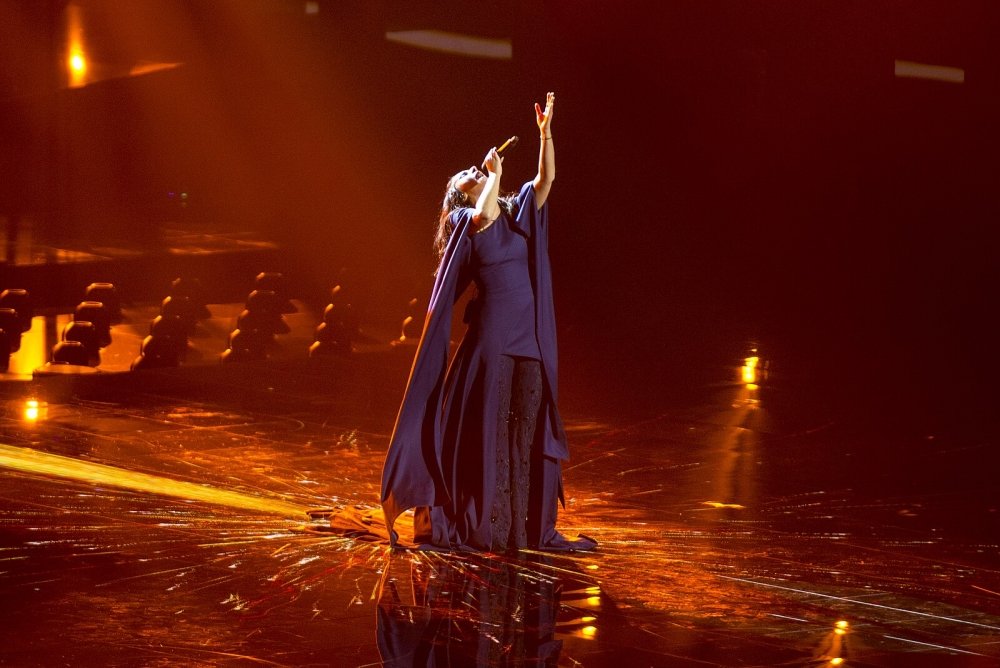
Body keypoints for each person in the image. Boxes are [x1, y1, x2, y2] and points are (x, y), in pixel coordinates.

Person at [379, 92, 596, 553]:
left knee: (524, 436)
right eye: (465, 175)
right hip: (495, 336)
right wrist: (491, 178)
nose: (471, 171)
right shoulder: (466, 218)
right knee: (497, 436)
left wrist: (545, 134)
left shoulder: (516, 210)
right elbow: (483, 213)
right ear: (459, 192)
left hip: (530, 337)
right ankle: (493, 530)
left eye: (473, 170)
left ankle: (522, 530)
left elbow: (545, 180)